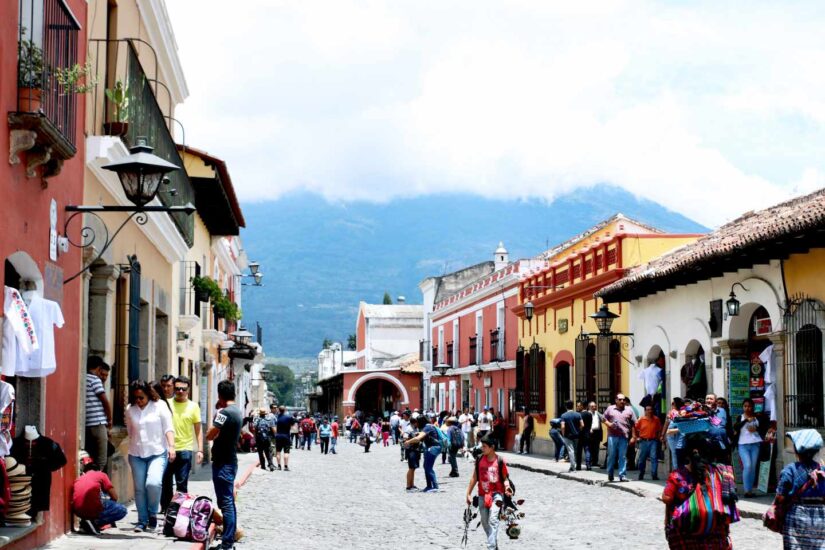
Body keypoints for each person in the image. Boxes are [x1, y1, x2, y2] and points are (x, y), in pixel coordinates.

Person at [662, 435, 732, 549]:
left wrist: (666, 525)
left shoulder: (677, 476)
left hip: (685, 534)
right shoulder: (719, 474)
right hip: (715, 534)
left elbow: (667, 498)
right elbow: (726, 503)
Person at [125, 380, 174, 532]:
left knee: (153, 483)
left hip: (157, 452)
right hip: (136, 453)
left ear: (149, 394)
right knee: (139, 489)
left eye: (141, 398)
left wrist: (172, 446)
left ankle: (153, 513)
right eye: (136, 398)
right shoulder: (130, 409)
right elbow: (129, 430)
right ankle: (142, 520)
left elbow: (168, 428)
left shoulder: (160, 406)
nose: (138, 401)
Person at [770, 429, 825, 547]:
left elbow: (780, 497)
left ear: (796, 450)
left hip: (796, 518)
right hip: (821, 519)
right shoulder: (822, 470)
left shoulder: (790, 470)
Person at [207, 380, 242, 550]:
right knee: (229, 502)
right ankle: (229, 538)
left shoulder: (224, 413)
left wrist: (211, 428)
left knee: (226, 503)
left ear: (220, 394)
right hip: (230, 460)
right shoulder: (237, 411)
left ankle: (227, 542)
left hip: (223, 463)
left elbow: (210, 434)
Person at [161, 376, 204, 512]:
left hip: (185, 449)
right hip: (167, 448)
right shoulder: (165, 404)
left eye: (183, 389)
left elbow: (198, 430)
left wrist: (200, 450)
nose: (180, 391)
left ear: (188, 390)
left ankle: (179, 510)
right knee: (165, 482)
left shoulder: (193, 406)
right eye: (177, 388)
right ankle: (166, 509)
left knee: (182, 483)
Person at [465, 434, 514, 550]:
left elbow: (505, 478)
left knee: (493, 520)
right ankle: (493, 543)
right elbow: (474, 477)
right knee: (485, 521)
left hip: (497, 494)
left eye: (484, 446)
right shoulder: (479, 459)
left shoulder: (500, 460)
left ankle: (491, 547)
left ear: (492, 447)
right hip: (482, 494)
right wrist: (468, 493)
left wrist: (507, 487)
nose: (482, 448)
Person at [73, 455, 127, 535]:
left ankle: (88, 522)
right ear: (98, 470)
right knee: (122, 509)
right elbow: (115, 496)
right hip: (92, 509)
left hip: (77, 511)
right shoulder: (101, 475)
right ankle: (94, 522)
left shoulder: (79, 478)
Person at [733, 397, 767, 497]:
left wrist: (755, 429)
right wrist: (746, 420)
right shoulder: (740, 417)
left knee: (752, 467)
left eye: (749, 406)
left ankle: (750, 490)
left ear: (753, 407)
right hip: (743, 445)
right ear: (743, 407)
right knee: (747, 465)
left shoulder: (758, 417)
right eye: (745, 406)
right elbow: (736, 427)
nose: (747, 408)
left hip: (755, 444)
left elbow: (763, 428)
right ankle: (746, 489)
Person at [85, 357, 113, 473]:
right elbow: (105, 401)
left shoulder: (83, 378)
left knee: (90, 456)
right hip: (98, 423)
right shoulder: (95, 380)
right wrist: (110, 419)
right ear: (98, 368)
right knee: (101, 460)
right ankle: (97, 484)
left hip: (87, 424)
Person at [603, 393, 637, 482]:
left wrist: (634, 436)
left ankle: (622, 475)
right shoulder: (610, 408)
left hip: (624, 436)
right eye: (620, 399)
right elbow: (603, 419)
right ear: (616, 400)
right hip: (612, 436)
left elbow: (634, 424)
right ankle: (610, 473)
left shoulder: (629, 410)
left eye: (623, 399)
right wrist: (609, 424)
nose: (622, 401)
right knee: (611, 456)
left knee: (622, 456)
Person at [404, 415, 440, 492]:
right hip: (431, 448)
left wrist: (408, 441)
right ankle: (429, 486)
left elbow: (418, 439)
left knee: (428, 467)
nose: (416, 423)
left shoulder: (427, 427)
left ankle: (435, 486)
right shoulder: (428, 427)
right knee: (426, 466)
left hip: (433, 448)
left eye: (417, 422)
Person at [634, 404, 663, 480]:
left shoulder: (656, 419)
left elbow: (660, 429)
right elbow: (634, 428)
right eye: (648, 410)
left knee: (654, 457)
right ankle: (641, 473)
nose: (650, 411)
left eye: (651, 409)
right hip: (643, 441)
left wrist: (659, 437)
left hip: (653, 441)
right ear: (645, 411)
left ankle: (654, 474)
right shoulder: (641, 419)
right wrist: (635, 437)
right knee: (642, 459)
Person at [662, 397, 685, 471]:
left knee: (675, 453)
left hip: (675, 433)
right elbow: (666, 423)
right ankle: (677, 470)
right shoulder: (673, 412)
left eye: (673, 403)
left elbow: (666, 424)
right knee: (675, 452)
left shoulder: (680, 412)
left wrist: (663, 435)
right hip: (673, 434)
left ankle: (677, 470)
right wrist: (663, 434)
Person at [560, 400, 583, 472]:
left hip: (568, 436)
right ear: (573, 406)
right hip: (576, 435)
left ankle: (573, 467)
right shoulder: (578, 414)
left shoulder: (563, 415)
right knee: (575, 451)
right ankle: (573, 465)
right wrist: (578, 430)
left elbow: (563, 426)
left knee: (571, 451)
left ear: (566, 406)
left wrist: (563, 434)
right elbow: (582, 425)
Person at [273, 405, 294, 471]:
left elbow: (274, 426)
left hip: (278, 436)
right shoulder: (289, 417)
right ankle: (286, 466)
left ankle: (279, 466)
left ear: (279, 410)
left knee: (278, 452)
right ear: (285, 410)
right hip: (286, 436)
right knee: (286, 452)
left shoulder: (276, 417)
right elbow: (292, 425)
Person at [576, 402, 593, 470]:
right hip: (587, 434)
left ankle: (578, 466)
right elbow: (590, 423)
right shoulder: (589, 414)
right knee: (587, 450)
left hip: (580, 435)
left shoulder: (578, 415)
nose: (577, 407)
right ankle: (588, 465)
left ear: (582, 406)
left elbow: (578, 425)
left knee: (579, 451)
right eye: (577, 406)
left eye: (578, 406)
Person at [586, 402, 603, 468]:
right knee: (590, 448)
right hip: (590, 433)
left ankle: (595, 462)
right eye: (592, 406)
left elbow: (603, 418)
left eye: (595, 406)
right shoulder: (587, 414)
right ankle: (589, 462)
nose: (594, 407)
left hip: (597, 433)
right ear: (589, 407)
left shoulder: (597, 413)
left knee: (596, 448)